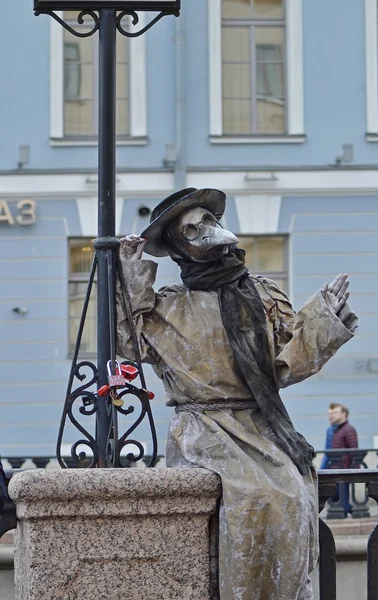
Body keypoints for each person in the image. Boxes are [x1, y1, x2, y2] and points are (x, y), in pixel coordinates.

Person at [116, 188, 358, 600]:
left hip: (262, 426)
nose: (206, 229)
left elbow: (283, 365)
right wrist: (130, 273)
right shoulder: (168, 307)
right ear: (179, 247)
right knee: (253, 501)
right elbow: (129, 344)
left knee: (293, 496)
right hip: (204, 431)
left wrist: (323, 320)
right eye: (192, 227)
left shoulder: (261, 294)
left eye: (208, 220)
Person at [320, 402, 344, 469]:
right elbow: (327, 452)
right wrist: (321, 469)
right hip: (332, 466)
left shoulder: (347, 429)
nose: (331, 416)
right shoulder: (329, 430)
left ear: (343, 414)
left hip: (342, 468)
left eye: (335, 413)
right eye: (329, 413)